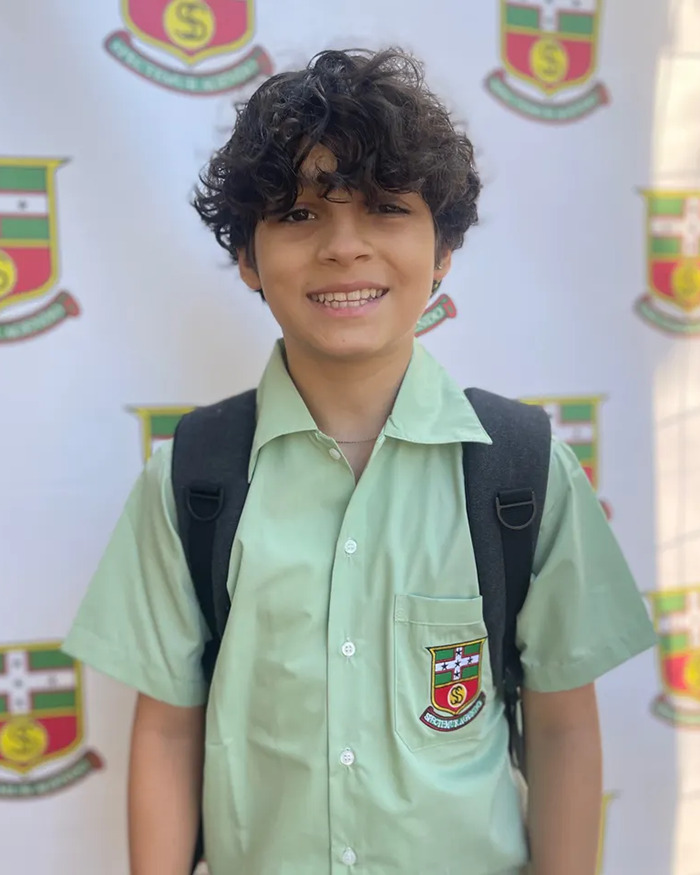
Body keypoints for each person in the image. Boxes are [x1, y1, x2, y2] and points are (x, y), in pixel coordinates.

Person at [62, 48, 656, 875]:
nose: (345, 247)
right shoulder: (190, 480)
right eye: (300, 215)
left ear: (442, 250)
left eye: (384, 208)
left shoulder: (520, 472)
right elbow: (166, 729)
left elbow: (561, 727)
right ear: (247, 259)